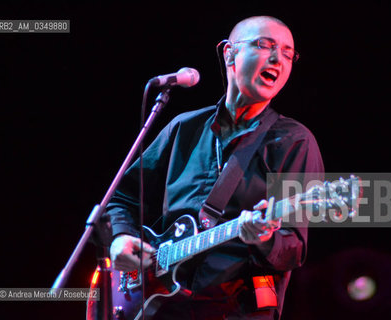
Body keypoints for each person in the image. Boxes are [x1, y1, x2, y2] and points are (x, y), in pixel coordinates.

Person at [107, 15, 324, 319]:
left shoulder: (294, 141)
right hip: (162, 308)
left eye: (288, 53)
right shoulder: (184, 128)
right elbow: (121, 197)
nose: (278, 58)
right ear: (229, 53)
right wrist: (120, 237)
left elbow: (295, 248)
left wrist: (263, 237)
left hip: (235, 310)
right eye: (265, 45)